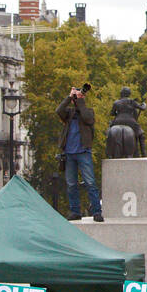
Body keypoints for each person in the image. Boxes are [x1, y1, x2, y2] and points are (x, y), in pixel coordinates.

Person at [57, 84, 102, 222]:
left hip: (83, 151)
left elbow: (88, 119)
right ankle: (75, 211)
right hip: (69, 153)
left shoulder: (88, 112)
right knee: (71, 184)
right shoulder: (69, 114)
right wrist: (69, 97)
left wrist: (81, 100)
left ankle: (97, 211)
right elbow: (59, 110)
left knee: (90, 182)